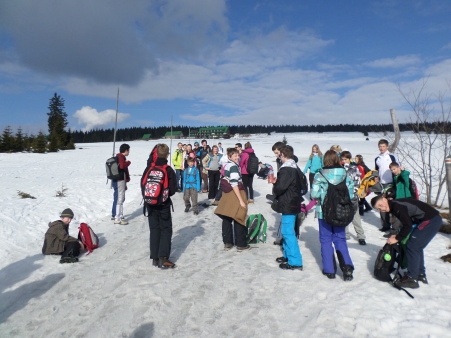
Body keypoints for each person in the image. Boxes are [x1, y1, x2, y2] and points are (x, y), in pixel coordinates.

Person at [371, 195, 442, 288]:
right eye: (378, 208)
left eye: (380, 205)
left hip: (430, 220)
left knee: (413, 246)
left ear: (385, 199)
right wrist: (397, 235)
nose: (381, 209)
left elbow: (407, 226)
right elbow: (406, 221)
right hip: (430, 219)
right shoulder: (394, 206)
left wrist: (396, 238)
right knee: (416, 246)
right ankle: (420, 274)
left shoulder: (397, 206)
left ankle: (412, 278)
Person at [311, 150, 355, 281]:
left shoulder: (320, 175)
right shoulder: (345, 174)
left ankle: (329, 270)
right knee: (340, 239)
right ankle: (347, 267)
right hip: (341, 211)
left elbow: (314, 194)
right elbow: (351, 194)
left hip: (324, 212)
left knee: (325, 239)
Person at [271, 145, 304, 270]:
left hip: (289, 203)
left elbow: (281, 188)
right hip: (293, 202)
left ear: (283, 155)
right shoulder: (294, 167)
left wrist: (275, 184)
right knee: (287, 230)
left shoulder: (286, 169)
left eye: (278, 154)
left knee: (287, 232)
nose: (278, 156)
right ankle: (288, 255)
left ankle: (295, 261)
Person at [145, 143, 177, 269]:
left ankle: (155, 257)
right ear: (167, 154)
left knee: (154, 230)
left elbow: (143, 184)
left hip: (150, 204)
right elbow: (173, 189)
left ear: (156, 154)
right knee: (166, 229)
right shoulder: (168, 170)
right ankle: (163, 258)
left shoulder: (149, 168)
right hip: (163, 204)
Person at [214, 147, 250, 252]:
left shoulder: (227, 165)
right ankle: (241, 244)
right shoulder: (233, 167)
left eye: (238, 155)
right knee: (238, 218)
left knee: (227, 218)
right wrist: (241, 200)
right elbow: (234, 184)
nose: (237, 157)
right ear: (229, 157)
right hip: (235, 194)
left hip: (227, 194)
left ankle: (228, 242)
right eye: (235, 156)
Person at [340, 151, 366, 245]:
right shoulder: (340, 168)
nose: (344, 161)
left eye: (345, 159)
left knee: (355, 216)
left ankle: (361, 236)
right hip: (342, 196)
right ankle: (345, 234)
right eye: (342, 159)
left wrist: (352, 193)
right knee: (343, 215)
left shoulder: (354, 169)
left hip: (352, 196)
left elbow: (357, 183)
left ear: (349, 159)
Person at [375, 139, 400, 232]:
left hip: (391, 184)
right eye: (380, 146)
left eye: (383, 146)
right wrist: (376, 178)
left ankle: (394, 228)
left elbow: (398, 168)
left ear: (387, 147)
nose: (381, 148)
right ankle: (385, 225)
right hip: (381, 184)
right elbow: (377, 170)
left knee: (392, 205)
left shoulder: (392, 157)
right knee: (381, 204)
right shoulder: (377, 158)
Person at [112, 143, 130, 225]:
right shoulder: (121, 157)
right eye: (128, 150)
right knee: (120, 198)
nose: (129, 152)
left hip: (119, 180)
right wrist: (128, 163)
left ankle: (120, 216)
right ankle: (117, 218)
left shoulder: (119, 157)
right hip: (120, 180)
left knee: (121, 198)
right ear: (126, 150)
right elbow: (122, 167)